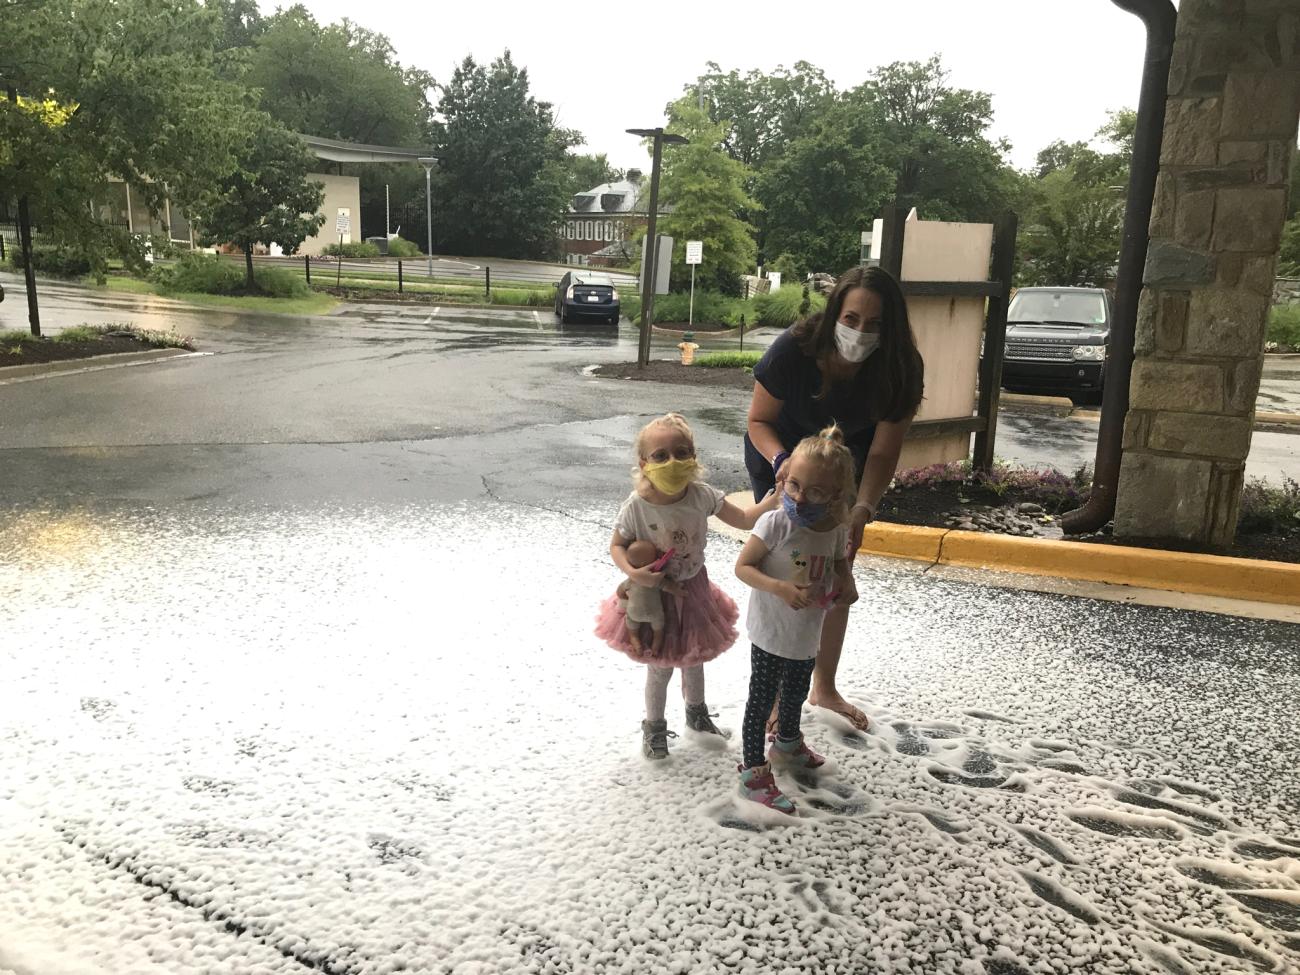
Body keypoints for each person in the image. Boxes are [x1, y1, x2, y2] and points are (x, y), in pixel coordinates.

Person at [744, 266, 924, 732]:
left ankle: (822, 686)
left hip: (843, 469)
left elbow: (884, 452)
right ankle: (775, 687)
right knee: (784, 567)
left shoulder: (902, 368)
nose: (860, 332)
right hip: (781, 456)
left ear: (892, 327)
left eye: (875, 324)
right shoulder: (794, 348)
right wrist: (783, 464)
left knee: (833, 566)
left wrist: (862, 510)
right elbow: (759, 420)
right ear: (834, 313)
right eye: (851, 318)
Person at [596, 412, 779, 760]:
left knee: (695, 658)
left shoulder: (700, 496)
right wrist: (634, 574)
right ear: (644, 463)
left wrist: (771, 501)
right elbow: (616, 546)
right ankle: (654, 727)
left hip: (694, 589)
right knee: (661, 665)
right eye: (661, 455)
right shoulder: (637, 506)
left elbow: (741, 519)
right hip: (654, 596)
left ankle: (697, 714)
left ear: (694, 457)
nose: (673, 462)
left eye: (682, 452)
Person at [734, 426, 858, 814]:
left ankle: (787, 743)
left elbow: (839, 563)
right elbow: (743, 567)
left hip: (807, 631)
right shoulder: (775, 524)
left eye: (815, 492)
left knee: (795, 691)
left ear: (836, 496)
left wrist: (846, 585)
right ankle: (753, 773)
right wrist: (779, 588)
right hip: (772, 632)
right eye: (794, 486)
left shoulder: (835, 530)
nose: (801, 498)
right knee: (760, 701)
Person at [615, 540, 685, 654]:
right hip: (655, 613)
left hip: (634, 613)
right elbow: (667, 586)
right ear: (644, 564)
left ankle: (635, 641)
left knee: (632, 630)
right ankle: (656, 647)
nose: (658, 556)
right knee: (659, 632)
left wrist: (626, 599)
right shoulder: (655, 578)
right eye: (654, 555)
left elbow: (620, 592)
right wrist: (678, 591)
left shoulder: (631, 580)